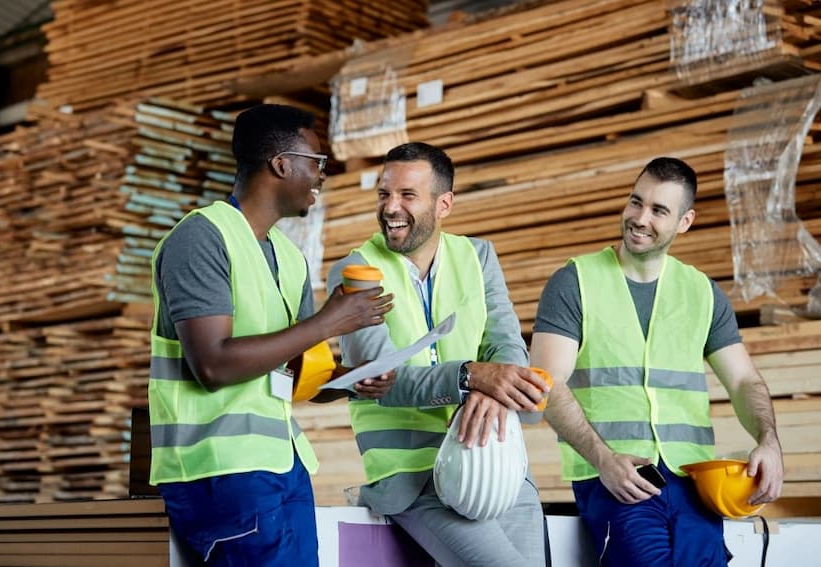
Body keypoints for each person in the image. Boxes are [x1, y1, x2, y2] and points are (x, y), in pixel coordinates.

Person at [148, 104, 394, 566]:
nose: (323, 176)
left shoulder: (289, 256)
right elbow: (213, 365)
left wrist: (350, 380)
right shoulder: (201, 238)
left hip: (283, 465)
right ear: (281, 164)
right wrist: (330, 321)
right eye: (316, 163)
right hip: (221, 472)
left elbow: (293, 373)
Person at [529, 157, 784, 566]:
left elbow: (743, 381)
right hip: (615, 478)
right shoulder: (575, 282)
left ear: (685, 221)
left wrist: (769, 441)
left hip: (693, 484)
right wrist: (603, 460)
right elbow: (547, 382)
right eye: (636, 202)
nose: (640, 218)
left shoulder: (702, 292)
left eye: (658, 210)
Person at [326, 142, 551, 567]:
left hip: (495, 464)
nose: (391, 207)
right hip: (413, 478)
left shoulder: (478, 256)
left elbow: (508, 347)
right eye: (384, 194)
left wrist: (489, 387)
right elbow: (381, 381)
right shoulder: (355, 271)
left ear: (443, 204)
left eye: (407, 195)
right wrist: (471, 377)